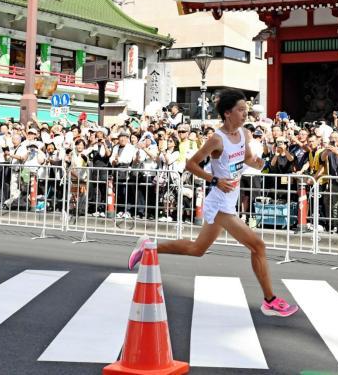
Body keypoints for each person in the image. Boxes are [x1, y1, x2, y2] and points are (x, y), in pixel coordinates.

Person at [127, 89, 299, 317]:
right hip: (218, 203)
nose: (244, 114)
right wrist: (215, 180)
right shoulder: (217, 139)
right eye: (240, 110)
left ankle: (149, 247)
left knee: (197, 249)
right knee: (258, 245)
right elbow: (191, 164)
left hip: (230, 199)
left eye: (246, 110)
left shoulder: (245, 134)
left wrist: (259, 164)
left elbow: (247, 158)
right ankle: (270, 300)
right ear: (227, 113)